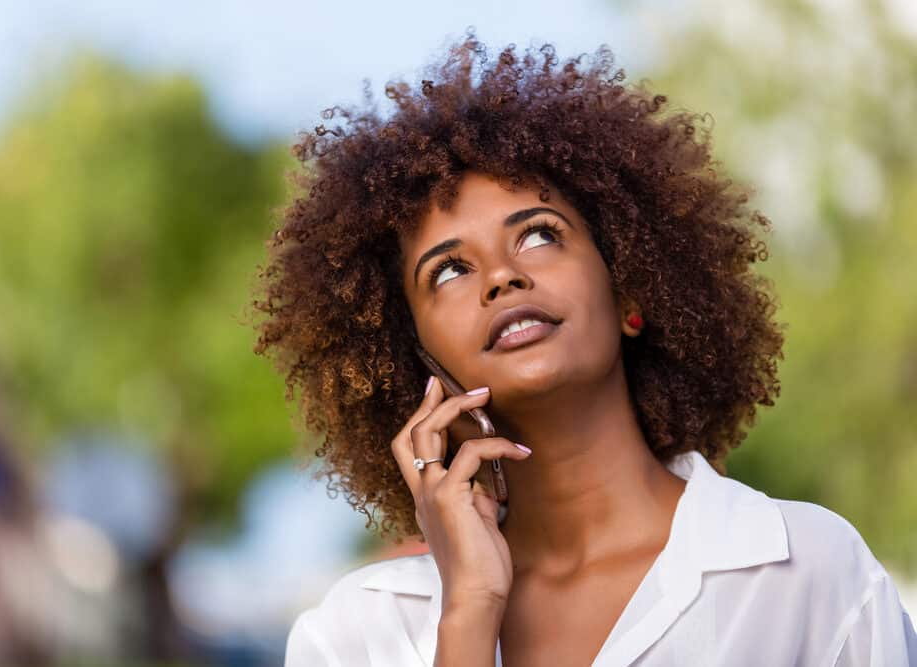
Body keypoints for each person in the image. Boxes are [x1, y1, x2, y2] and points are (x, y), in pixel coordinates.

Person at [254, 31, 917, 666]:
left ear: (628, 286)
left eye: (539, 234)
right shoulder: (360, 633)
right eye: (449, 270)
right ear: (413, 361)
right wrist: (470, 613)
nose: (502, 276)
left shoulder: (808, 570)